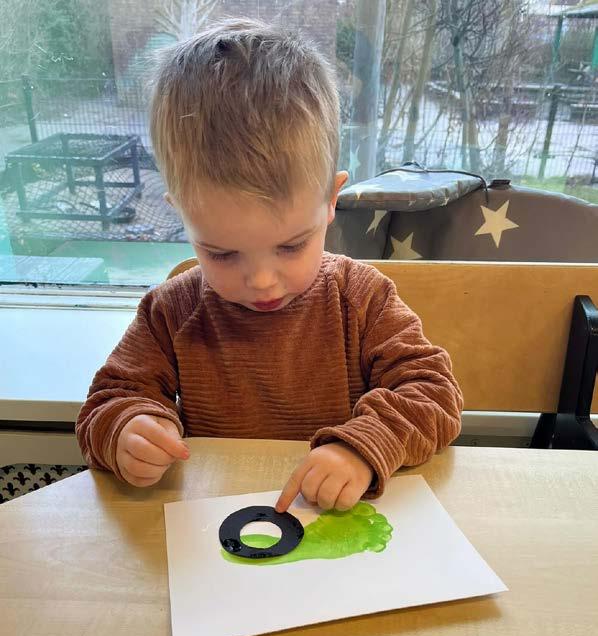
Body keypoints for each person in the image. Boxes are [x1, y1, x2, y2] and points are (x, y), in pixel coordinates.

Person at [76, 18, 463, 513]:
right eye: (221, 253)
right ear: (183, 217)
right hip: (214, 523)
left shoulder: (363, 299)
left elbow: (434, 393)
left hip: (334, 521)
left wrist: (364, 445)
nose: (261, 280)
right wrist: (128, 429)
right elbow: (108, 400)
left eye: (291, 246)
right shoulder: (170, 313)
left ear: (331, 201)